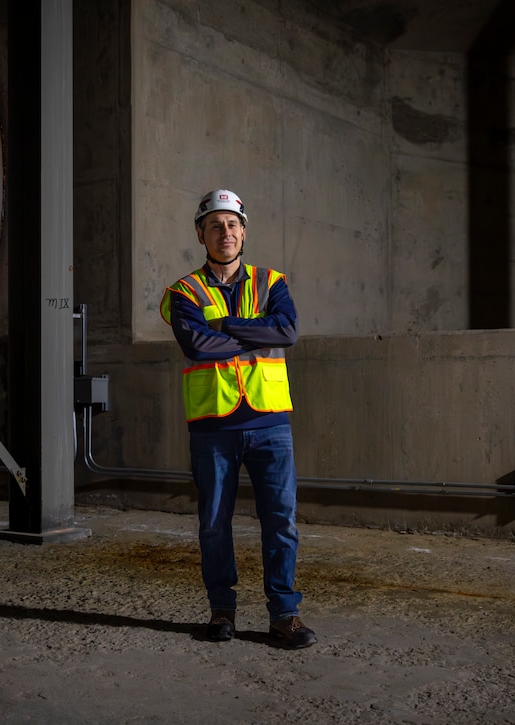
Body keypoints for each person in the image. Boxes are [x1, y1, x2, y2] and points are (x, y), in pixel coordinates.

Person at [159, 189, 317, 649]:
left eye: (232, 224)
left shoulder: (272, 281)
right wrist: (253, 332)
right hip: (213, 426)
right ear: (200, 233)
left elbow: (286, 331)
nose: (225, 233)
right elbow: (195, 346)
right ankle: (221, 611)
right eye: (215, 225)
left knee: (281, 521)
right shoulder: (183, 292)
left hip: (270, 423)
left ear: (243, 231)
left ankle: (284, 614)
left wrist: (224, 326)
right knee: (214, 522)